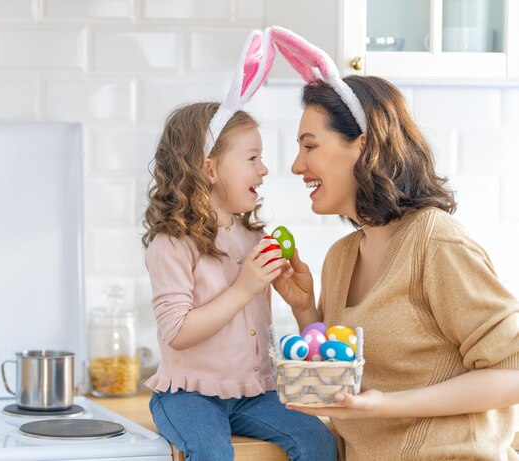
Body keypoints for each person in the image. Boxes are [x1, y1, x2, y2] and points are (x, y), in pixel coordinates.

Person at [268, 26, 519, 461]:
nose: (296, 165)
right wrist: (305, 309)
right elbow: (341, 375)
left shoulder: (435, 242)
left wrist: (386, 405)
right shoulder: (341, 257)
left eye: (310, 146)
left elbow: (512, 373)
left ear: (362, 146)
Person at [141, 100, 336, 460]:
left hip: (255, 393)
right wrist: (244, 287)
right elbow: (177, 332)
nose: (264, 170)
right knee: (212, 452)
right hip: (188, 395)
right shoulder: (171, 243)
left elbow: (254, 329)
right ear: (209, 169)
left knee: (319, 440)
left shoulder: (253, 239)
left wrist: (295, 300)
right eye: (252, 158)